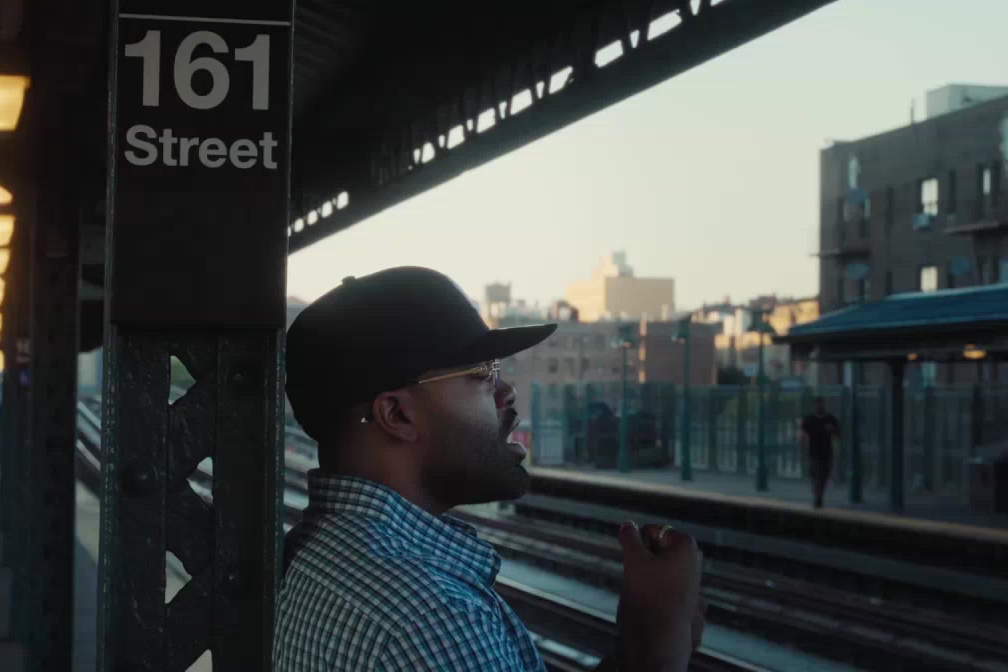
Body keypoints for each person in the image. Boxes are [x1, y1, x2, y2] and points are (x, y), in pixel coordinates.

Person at [275, 267, 705, 672]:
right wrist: (656, 655)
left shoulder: (311, 552)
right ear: (396, 415)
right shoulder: (434, 621)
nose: (507, 392)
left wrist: (641, 647)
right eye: (482, 375)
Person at [799, 397, 840, 508]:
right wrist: (802, 447)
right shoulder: (809, 419)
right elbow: (802, 433)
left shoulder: (830, 419)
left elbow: (838, 434)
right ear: (814, 406)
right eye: (817, 405)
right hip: (813, 453)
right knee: (814, 476)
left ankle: (818, 496)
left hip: (827, 453)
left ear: (824, 405)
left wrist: (832, 429)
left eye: (821, 404)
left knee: (824, 476)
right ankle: (818, 496)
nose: (819, 407)